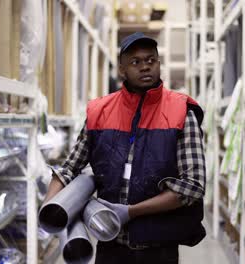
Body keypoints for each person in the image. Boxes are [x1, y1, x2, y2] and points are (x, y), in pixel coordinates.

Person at [44, 32, 206, 264]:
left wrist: (131, 212)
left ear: (159, 64)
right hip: (110, 247)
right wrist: (50, 207)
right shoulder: (100, 112)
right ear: (122, 69)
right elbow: (69, 169)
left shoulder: (181, 112)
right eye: (135, 62)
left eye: (151, 60)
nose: (145, 67)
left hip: (159, 249)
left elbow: (193, 186)